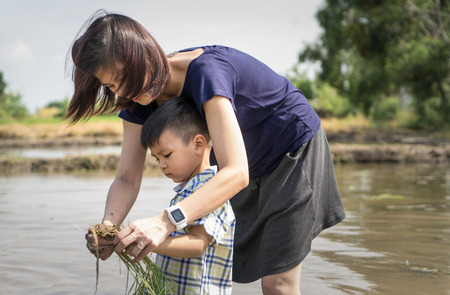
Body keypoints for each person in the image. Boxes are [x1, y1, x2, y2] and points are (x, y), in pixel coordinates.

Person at [75, 11, 345, 295]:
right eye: (112, 85)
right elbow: (128, 178)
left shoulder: (206, 72)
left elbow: (236, 172)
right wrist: (109, 226)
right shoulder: (136, 100)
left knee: (277, 282)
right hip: (243, 164)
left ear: (144, 52)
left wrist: (164, 222)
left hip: (290, 149)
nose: (124, 90)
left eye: (123, 76)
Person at [140, 96, 234, 294]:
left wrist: (150, 242)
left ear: (198, 144)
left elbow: (197, 244)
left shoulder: (210, 189)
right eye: (157, 159)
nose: (162, 165)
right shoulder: (187, 190)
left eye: (167, 155)